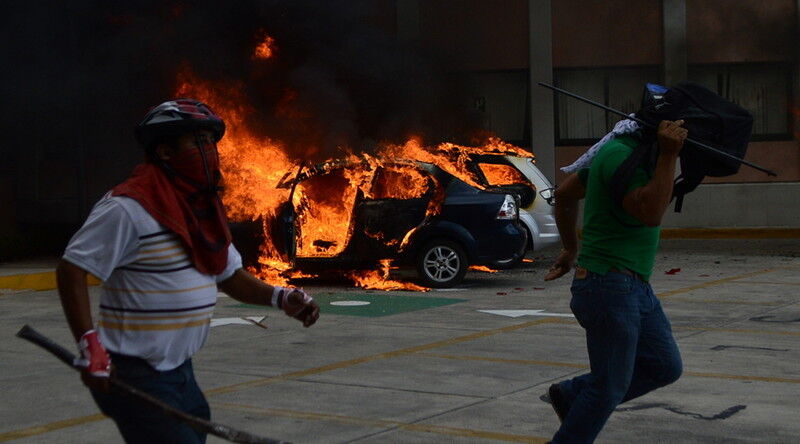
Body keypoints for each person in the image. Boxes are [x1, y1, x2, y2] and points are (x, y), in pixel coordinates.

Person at [56, 98, 320, 443]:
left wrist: (282, 298)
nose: (209, 150)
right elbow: (71, 269)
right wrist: (90, 345)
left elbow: (228, 275)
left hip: (179, 370)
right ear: (165, 152)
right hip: (134, 372)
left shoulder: (200, 209)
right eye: (197, 142)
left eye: (211, 141)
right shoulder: (127, 207)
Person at [543, 119, 687, 443]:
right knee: (609, 387)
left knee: (665, 365)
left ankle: (571, 395)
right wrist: (668, 155)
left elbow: (565, 194)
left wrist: (570, 248)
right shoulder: (622, 157)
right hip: (608, 286)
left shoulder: (628, 155)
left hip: (634, 287)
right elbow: (651, 212)